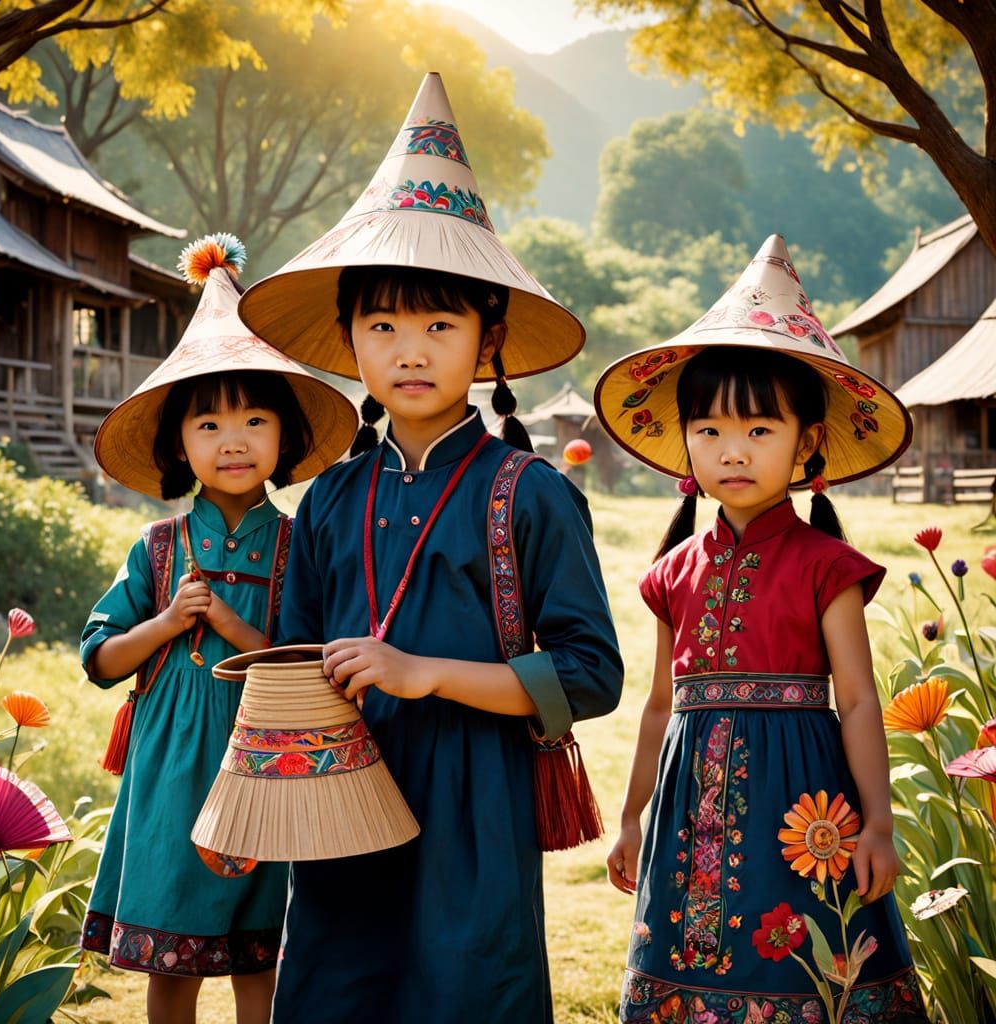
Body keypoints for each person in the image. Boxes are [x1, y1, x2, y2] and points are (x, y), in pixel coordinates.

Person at [238, 74, 624, 1022]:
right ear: (351, 343)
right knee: (336, 991)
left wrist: (425, 672)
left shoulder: (530, 494)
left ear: (488, 338)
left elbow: (590, 675)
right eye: (383, 326)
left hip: (475, 807)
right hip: (341, 797)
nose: (411, 350)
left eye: (440, 325)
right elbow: (289, 662)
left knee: (466, 992)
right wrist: (251, 795)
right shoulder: (327, 496)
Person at [593, 235, 928, 1022]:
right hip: (686, 812)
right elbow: (655, 706)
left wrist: (876, 822)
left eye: (758, 431)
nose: (731, 451)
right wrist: (633, 814)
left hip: (803, 815)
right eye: (708, 430)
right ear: (685, 445)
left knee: (806, 977)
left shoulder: (827, 566)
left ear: (807, 443)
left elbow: (857, 702)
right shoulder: (673, 571)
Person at [79, 236, 356, 1024]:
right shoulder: (158, 547)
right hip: (173, 763)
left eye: (254, 419)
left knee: (261, 949)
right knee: (174, 944)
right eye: (208, 424)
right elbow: (100, 658)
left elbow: (317, 661)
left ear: (285, 436)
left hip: (273, 754)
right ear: (179, 444)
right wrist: (168, 620)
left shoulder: (305, 543)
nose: (232, 440)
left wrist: (232, 625)